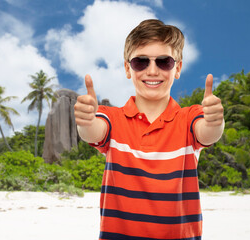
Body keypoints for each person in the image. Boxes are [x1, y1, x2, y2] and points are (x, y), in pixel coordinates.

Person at [74, 19, 224, 240]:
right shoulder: (112, 118)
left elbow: (208, 132)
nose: (152, 71)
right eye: (140, 62)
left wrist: (214, 122)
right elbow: (93, 131)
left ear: (178, 68)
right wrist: (85, 121)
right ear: (128, 68)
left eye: (164, 62)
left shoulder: (189, 118)